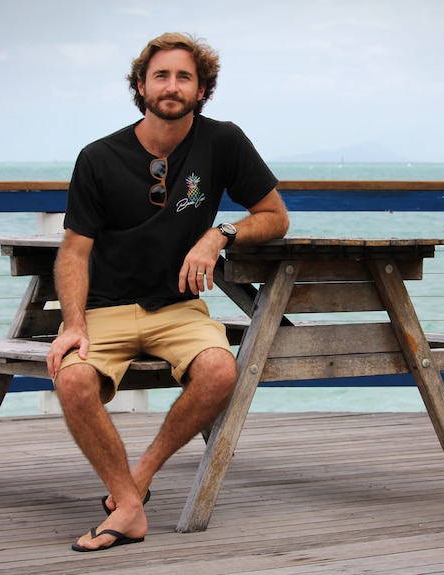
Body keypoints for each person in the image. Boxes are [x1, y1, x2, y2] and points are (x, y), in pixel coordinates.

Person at [46, 32, 289, 552]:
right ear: (141, 86)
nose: (172, 86)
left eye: (184, 77)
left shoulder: (223, 142)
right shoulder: (97, 157)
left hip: (179, 310)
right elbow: (73, 251)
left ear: (202, 90)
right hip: (104, 310)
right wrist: (73, 324)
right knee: (73, 383)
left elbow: (274, 217)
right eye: (161, 75)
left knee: (221, 369)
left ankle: (135, 482)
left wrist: (218, 233)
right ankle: (130, 508)